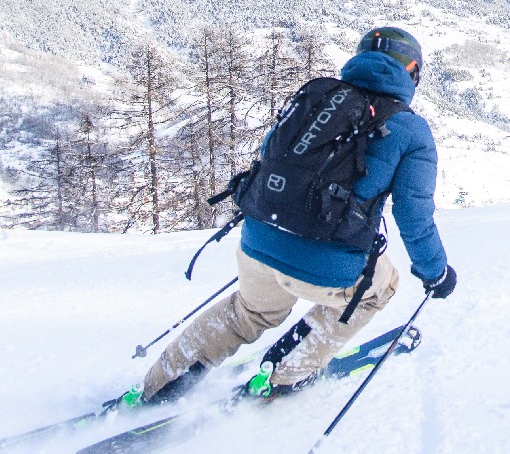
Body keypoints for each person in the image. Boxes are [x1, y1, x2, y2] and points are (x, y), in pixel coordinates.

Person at [124, 26, 455, 405]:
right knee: (381, 288)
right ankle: (285, 375)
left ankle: (155, 385)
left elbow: (268, 162)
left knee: (248, 312)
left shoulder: (318, 101)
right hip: (331, 263)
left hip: (258, 241)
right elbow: (414, 216)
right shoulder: (411, 130)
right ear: (412, 72)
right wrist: (436, 273)